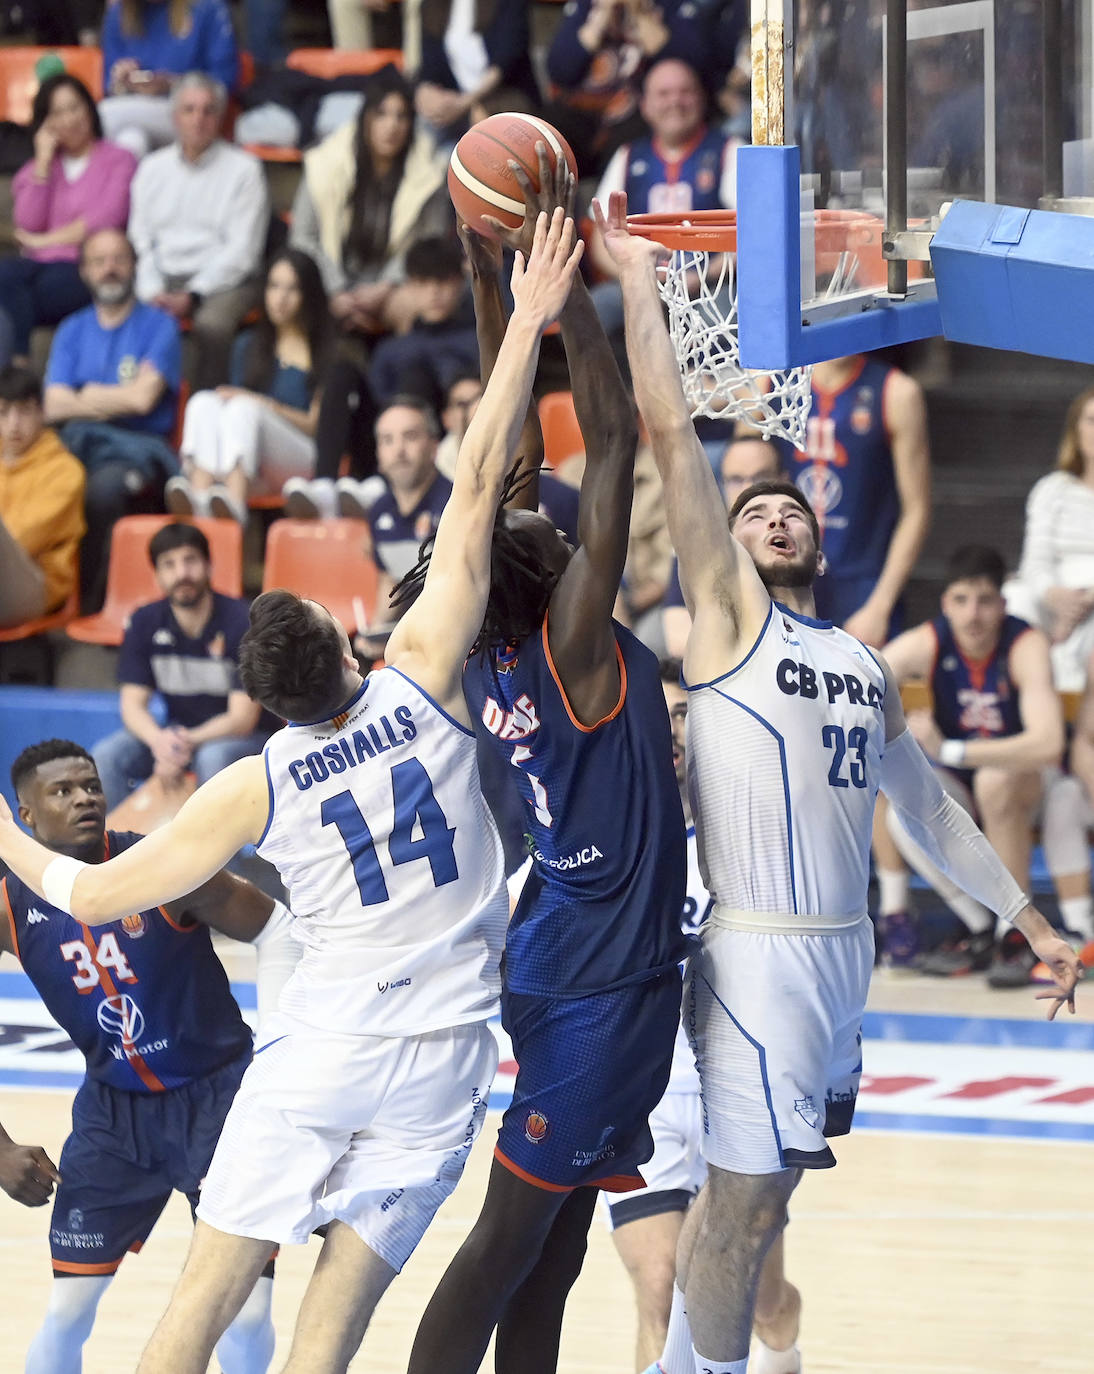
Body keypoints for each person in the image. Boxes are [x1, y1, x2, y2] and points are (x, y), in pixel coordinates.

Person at [0, 206, 584, 1374]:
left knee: (200, 1305)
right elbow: (477, 484)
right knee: (327, 1334)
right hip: (441, 1055)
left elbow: (95, 890)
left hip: (321, 1048)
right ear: (344, 642)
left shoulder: (251, 783)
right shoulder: (420, 679)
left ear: (268, 696)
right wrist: (525, 324)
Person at [595, 187, 1082, 1374]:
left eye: (786, 508)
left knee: (769, 1217)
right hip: (752, 949)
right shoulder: (723, 625)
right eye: (750, 509)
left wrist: (1032, 923)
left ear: (817, 538)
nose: (769, 517)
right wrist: (640, 290)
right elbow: (668, 435)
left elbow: (921, 806)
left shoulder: (860, 660)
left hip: (841, 953)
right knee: (739, 1207)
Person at [406, 150, 687, 1374]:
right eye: (527, 517)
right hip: (596, 983)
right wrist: (567, 281)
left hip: (569, 948)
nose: (527, 503)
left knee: (554, 1256)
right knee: (502, 1242)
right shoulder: (574, 645)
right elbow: (612, 438)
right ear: (545, 568)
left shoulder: (499, 642)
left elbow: (503, 432)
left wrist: (495, 275)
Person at [0, 738, 295, 1374]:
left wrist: (278, 1056)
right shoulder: (7, 905)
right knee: (68, 1308)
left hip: (220, 1103)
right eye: (63, 791)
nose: (85, 797)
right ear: (24, 816)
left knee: (243, 1309)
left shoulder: (160, 864)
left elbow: (278, 928)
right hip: (114, 1118)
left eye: (91, 785)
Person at [606, 658, 801, 1374]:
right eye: (660, 716)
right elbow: (504, 924)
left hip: (740, 1087)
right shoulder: (599, 833)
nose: (675, 730)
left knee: (759, 1299)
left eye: (685, 713)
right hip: (645, 1095)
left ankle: (785, 1352)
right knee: (659, 1288)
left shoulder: (756, 832)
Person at [875, 545, 1081, 987]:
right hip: (965, 787)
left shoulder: (1024, 644)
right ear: (945, 603)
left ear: (1003, 605)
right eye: (962, 601)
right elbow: (863, 676)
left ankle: (1015, 934)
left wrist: (949, 750)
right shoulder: (929, 641)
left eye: (985, 601)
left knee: (995, 781)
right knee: (894, 793)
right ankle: (976, 925)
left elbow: (1047, 743)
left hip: (1032, 786)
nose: (973, 615)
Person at [43, 228, 181, 613]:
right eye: (99, 261)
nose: (110, 269)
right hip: (79, 445)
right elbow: (53, 407)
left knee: (101, 492)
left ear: (135, 265)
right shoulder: (72, 329)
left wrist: (84, 394)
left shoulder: (160, 325)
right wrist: (113, 399)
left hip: (137, 454)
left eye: (119, 258)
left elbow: (142, 399)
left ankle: (94, 604)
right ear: (84, 271)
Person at [91, 522, 269, 811]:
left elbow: (242, 719)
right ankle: (114, 851)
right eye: (169, 565)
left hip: (244, 739)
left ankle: (219, 857)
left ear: (209, 565)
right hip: (177, 735)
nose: (181, 573)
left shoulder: (241, 621)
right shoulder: (144, 621)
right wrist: (159, 741)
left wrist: (182, 742)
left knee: (212, 758)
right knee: (106, 756)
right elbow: (132, 706)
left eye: (190, 560)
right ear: (158, 576)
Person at [167, 248, 333, 523]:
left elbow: (317, 425)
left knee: (243, 408)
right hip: (253, 461)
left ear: (310, 295)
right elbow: (234, 426)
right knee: (204, 402)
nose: (281, 298)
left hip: (302, 459)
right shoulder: (249, 345)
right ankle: (200, 497)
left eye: (293, 289)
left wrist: (263, 404)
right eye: (274, 286)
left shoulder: (327, 353)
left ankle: (235, 508)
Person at [128, 72, 269, 391]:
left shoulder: (245, 170)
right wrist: (151, 291)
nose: (198, 119)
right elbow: (140, 240)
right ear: (175, 117)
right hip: (162, 275)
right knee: (124, 310)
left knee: (212, 325)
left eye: (208, 110)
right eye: (189, 110)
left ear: (220, 117)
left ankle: (205, 410)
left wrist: (194, 294)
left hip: (225, 280)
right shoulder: (151, 168)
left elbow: (243, 252)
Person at [786, 353, 931, 645]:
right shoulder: (775, 382)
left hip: (863, 579)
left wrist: (880, 606)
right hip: (788, 573)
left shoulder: (897, 391)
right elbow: (742, 477)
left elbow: (917, 509)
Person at [0, 74, 136, 363]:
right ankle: (19, 366)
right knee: (5, 273)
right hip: (34, 268)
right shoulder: (35, 169)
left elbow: (107, 219)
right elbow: (28, 222)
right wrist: (43, 164)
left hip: (85, 265)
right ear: (45, 123)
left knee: (10, 299)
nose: (69, 119)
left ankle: (17, 371)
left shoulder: (119, 159)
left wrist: (43, 240)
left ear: (89, 109)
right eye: (58, 113)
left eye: (74, 108)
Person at [545, 0, 720, 174]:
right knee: (549, 134)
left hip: (638, 112)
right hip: (586, 108)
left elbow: (691, 68)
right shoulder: (586, 6)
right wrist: (601, 17)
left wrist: (639, 15)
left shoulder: (671, 6)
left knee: (632, 139)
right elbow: (560, 71)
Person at [663, 433, 784, 657]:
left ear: (783, 479)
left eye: (761, 477)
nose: (749, 489)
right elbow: (677, 638)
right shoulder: (698, 541)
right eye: (736, 479)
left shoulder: (798, 542)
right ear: (723, 484)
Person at [1010, 385, 1094, 691]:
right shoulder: (1053, 488)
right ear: (1076, 428)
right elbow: (1034, 561)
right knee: (1015, 597)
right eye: (1091, 420)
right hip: (1053, 596)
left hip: (1091, 600)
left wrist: (1083, 602)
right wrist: (1055, 597)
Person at [99, 0, 239, 160]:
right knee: (131, 141)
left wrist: (172, 84)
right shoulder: (120, 12)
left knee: (104, 114)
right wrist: (123, 81)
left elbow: (225, 81)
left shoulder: (207, 7)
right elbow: (108, 88)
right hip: (136, 110)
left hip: (193, 114)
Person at [0, 364, 85, 627]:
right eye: (3, 412)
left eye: (24, 411)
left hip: (34, 586)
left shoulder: (66, 471)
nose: (14, 425)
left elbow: (20, 539)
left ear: (42, 413)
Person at [414, 0, 538, 140]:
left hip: (504, 98)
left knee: (481, 122)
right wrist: (425, 95)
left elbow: (506, 60)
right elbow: (429, 66)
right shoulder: (431, 5)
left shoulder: (507, 3)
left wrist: (464, 103)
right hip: (456, 103)